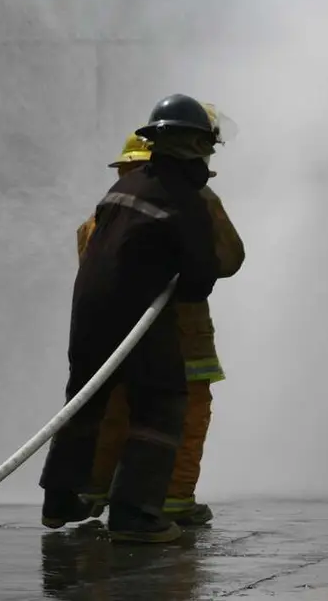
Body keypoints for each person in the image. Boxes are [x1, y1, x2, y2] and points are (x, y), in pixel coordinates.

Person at [39, 93, 222, 543]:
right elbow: (201, 276)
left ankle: (60, 500)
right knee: (161, 403)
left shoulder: (124, 186)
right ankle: (136, 515)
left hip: (89, 311)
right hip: (135, 313)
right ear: (196, 145)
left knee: (85, 402)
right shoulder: (183, 194)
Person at [78, 122, 245, 527]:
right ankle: (172, 499)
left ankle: (95, 492)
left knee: (116, 414)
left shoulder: (100, 218)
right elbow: (229, 258)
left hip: (115, 341)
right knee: (183, 417)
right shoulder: (193, 206)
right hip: (182, 340)